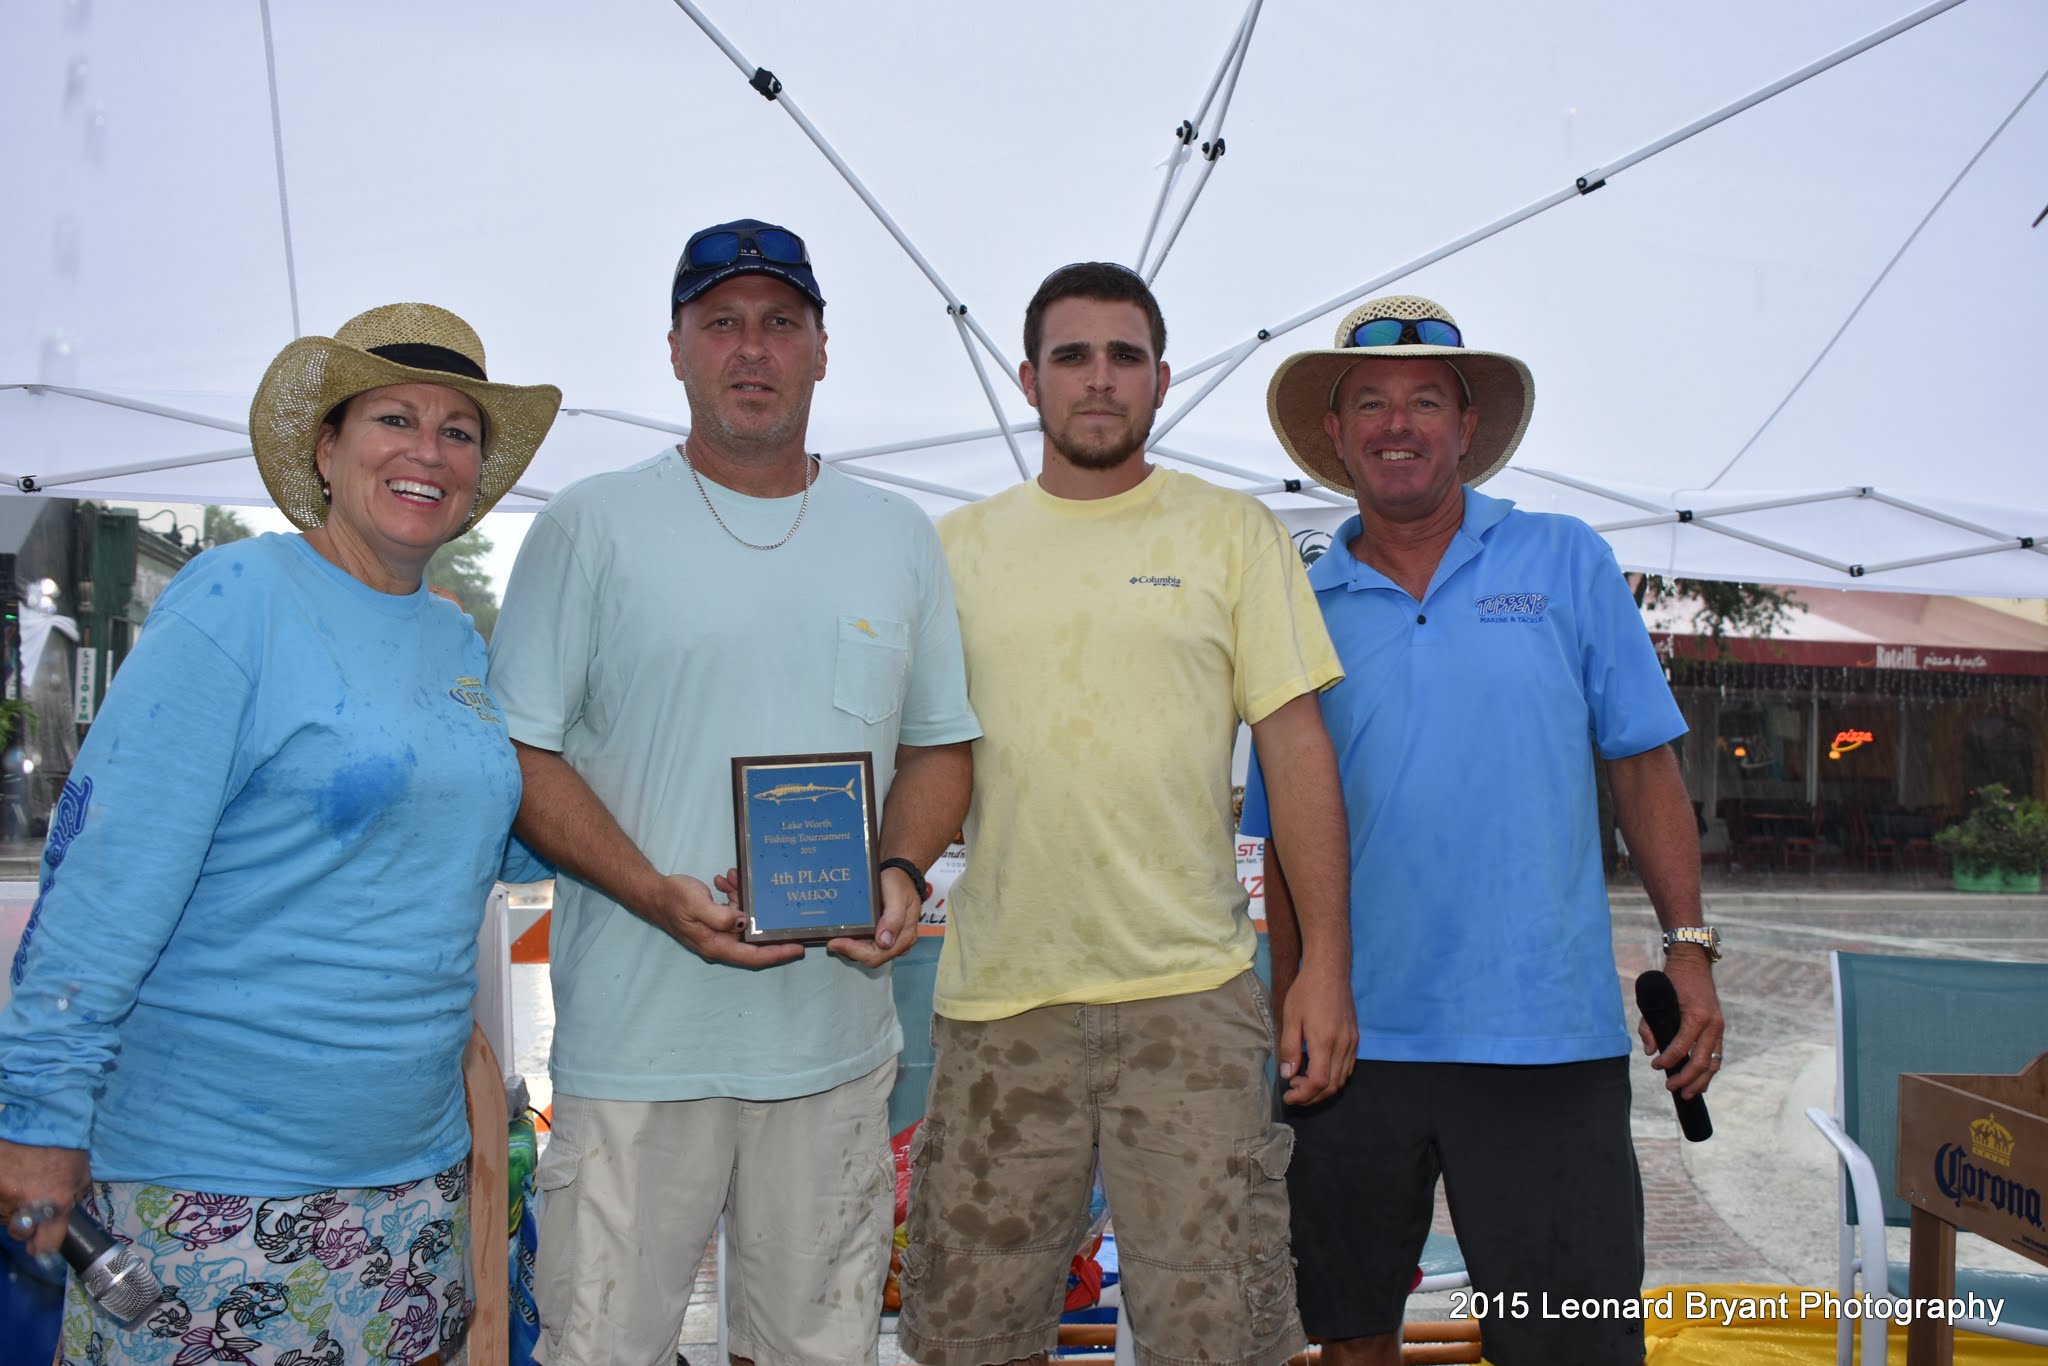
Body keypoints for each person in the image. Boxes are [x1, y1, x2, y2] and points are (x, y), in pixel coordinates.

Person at [0, 301, 561, 1364]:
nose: (428, 451)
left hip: (412, 1176)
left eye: (457, 431)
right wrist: (37, 1113)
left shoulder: (457, 642)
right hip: (211, 1181)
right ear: (326, 447)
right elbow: (109, 875)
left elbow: (481, 847)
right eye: (394, 419)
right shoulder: (238, 599)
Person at [485, 218, 978, 1366]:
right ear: (674, 348)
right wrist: (652, 892)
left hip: (830, 1050)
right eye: (720, 323)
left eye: (779, 323)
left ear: (821, 348)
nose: (751, 348)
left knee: (815, 1352)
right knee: (603, 1351)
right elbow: (518, 756)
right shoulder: (588, 526)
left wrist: (899, 870)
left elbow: (940, 747)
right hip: (636, 1051)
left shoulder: (896, 535)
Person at [1242, 295, 1727, 1366]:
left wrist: (1689, 951)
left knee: (1569, 1347)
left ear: (1467, 428)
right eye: (1370, 402)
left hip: (1544, 1039)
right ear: (1335, 434)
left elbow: (1643, 765)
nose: (1397, 424)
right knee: (1346, 1336)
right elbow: (1278, 837)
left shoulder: (1563, 559)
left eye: (1426, 401)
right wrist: (1290, 1012)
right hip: (1352, 1042)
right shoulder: (1294, 602)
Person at [896, 263, 1353, 1366]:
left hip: (1191, 1004)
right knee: (971, 1341)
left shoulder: (1231, 533)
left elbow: (1296, 752)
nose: (1098, 379)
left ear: (1159, 379)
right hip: (1002, 1005)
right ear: (1028, 379)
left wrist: (1325, 966)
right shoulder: (952, 550)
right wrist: (886, 868)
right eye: (1071, 356)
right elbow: (928, 755)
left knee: (1217, 1342)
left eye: (1123, 356)